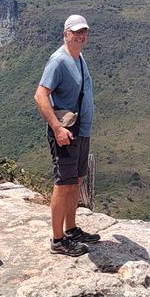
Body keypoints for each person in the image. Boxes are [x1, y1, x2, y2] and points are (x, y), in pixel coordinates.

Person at [33, 14, 101, 256]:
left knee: (76, 180)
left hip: (81, 130)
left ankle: (71, 229)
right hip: (66, 131)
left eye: (84, 32)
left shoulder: (79, 56)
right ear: (66, 34)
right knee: (63, 184)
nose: (81, 36)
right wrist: (57, 128)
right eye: (76, 32)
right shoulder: (58, 61)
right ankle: (58, 240)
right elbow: (40, 96)